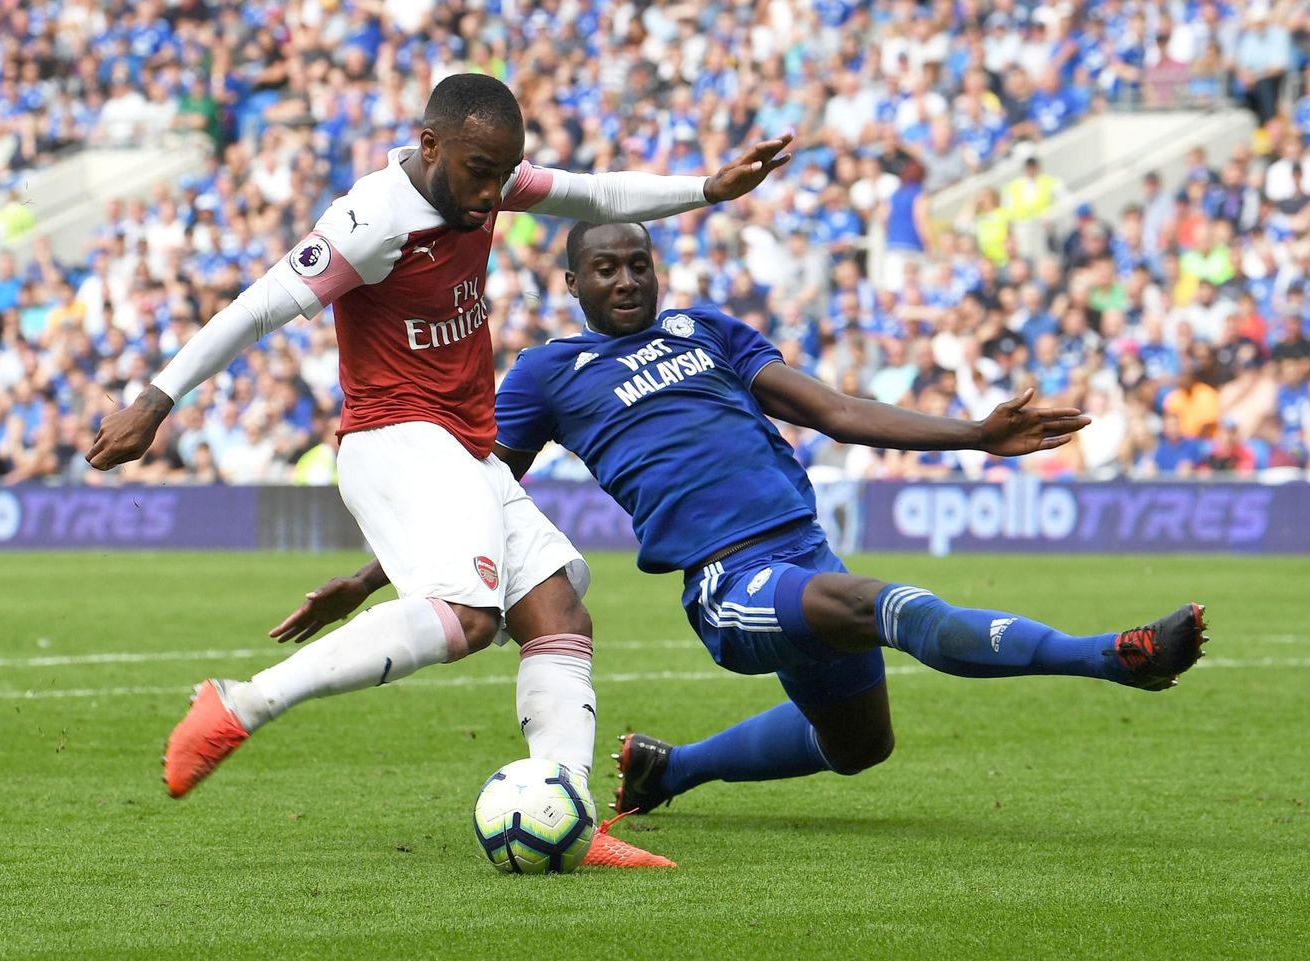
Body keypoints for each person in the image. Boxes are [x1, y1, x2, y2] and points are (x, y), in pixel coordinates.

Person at [85, 75, 790, 865]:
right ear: (430, 146)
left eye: (503, 175)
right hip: (393, 433)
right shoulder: (370, 219)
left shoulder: (482, 180)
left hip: (461, 446)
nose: (492, 197)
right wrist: (155, 400)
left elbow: (592, 194)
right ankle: (240, 704)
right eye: (480, 173)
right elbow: (257, 306)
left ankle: (568, 810)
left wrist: (707, 187)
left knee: (558, 614)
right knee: (469, 614)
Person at [482, 222, 1205, 816]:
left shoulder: (702, 329)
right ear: (573, 283)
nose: (627, 280)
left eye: (639, 263)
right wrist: (396, 570)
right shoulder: (547, 373)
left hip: (805, 553)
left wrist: (977, 435)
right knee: (880, 603)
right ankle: (1111, 656)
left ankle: (667, 771)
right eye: (605, 269)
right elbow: (481, 484)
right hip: (729, 584)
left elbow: (837, 411)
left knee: (861, 745)